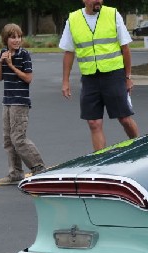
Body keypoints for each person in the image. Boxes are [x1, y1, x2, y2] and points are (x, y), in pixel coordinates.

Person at [59, 0, 139, 151]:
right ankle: (100, 160)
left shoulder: (112, 14)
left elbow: (125, 49)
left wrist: (128, 77)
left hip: (114, 75)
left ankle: (138, 146)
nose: (98, 1)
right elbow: (69, 52)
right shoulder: (73, 19)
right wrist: (65, 81)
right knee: (94, 123)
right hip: (90, 78)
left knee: (124, 118)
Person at [0, 23, 46, 186]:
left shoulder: (24, 55)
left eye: (19, 36)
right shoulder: (3, 53)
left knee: (18, 138)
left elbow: (28, 78)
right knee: (8, 139)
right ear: (6, 39)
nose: (17, 40)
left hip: (20, 102)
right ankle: (16, 173)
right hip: (7, 101)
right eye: (13, 37)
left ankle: (38, 167)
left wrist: (11, 65)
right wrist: (1, 63)